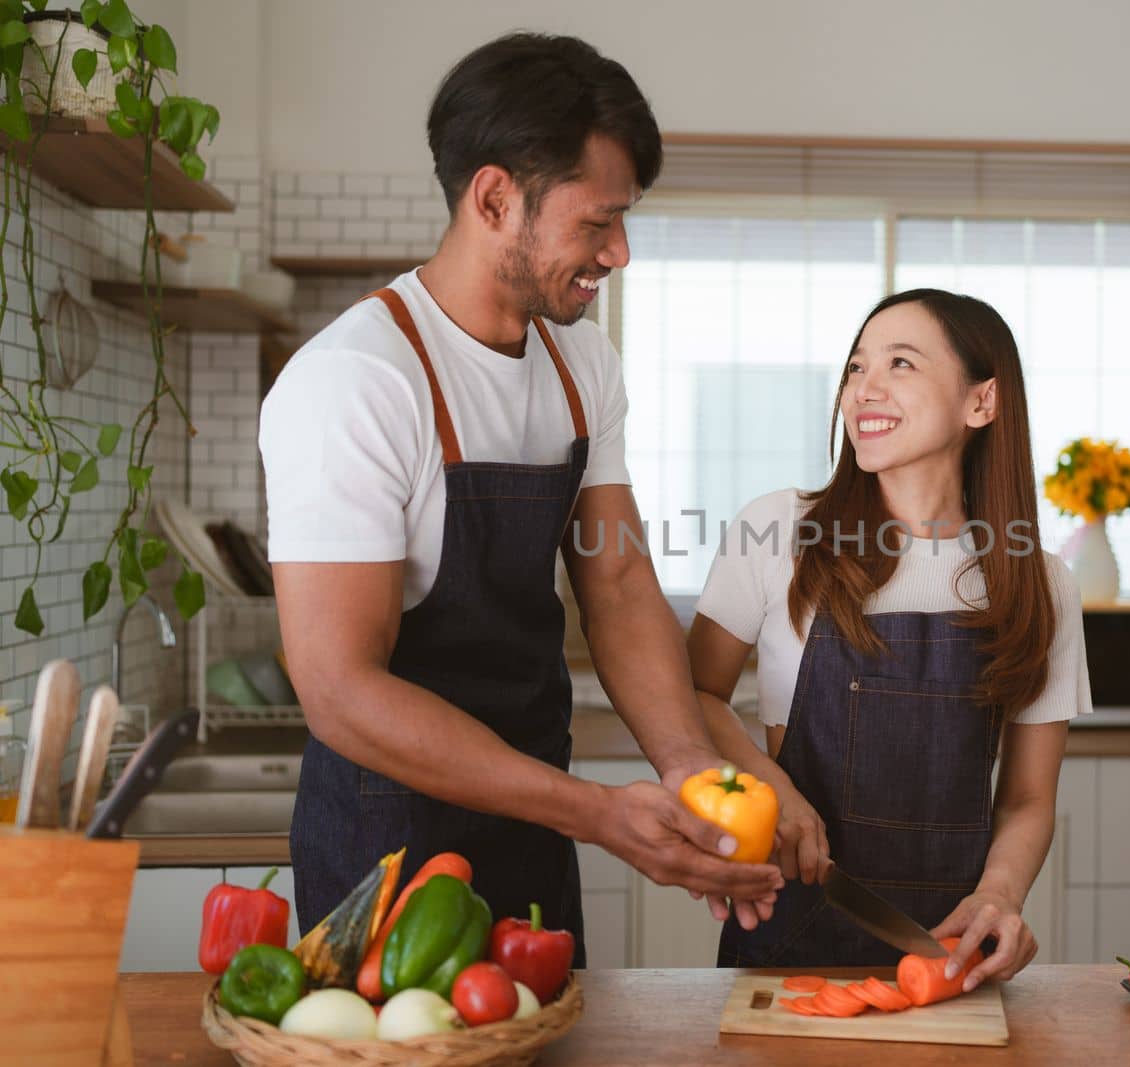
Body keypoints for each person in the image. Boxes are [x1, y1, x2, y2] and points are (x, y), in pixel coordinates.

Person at [259, 33, 781, 955]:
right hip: (389, 846)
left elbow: (616, 587)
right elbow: (338, 687)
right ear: (496, 198)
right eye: (597, 222)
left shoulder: (582, 362)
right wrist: (594, 812)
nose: (619, 252)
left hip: (533, 826)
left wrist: (698, 775)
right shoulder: (356, 381)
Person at [688, 289, 1092, 988]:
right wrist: (768, 782)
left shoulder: (1038, 583)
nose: (862, 390)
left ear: (981, 402)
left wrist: (999, 896)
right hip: (790, 940)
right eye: (854, 368)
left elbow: (1027, 797)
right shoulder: (778, 532)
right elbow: (692, 693)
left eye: (900, 363)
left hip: (948, 955)